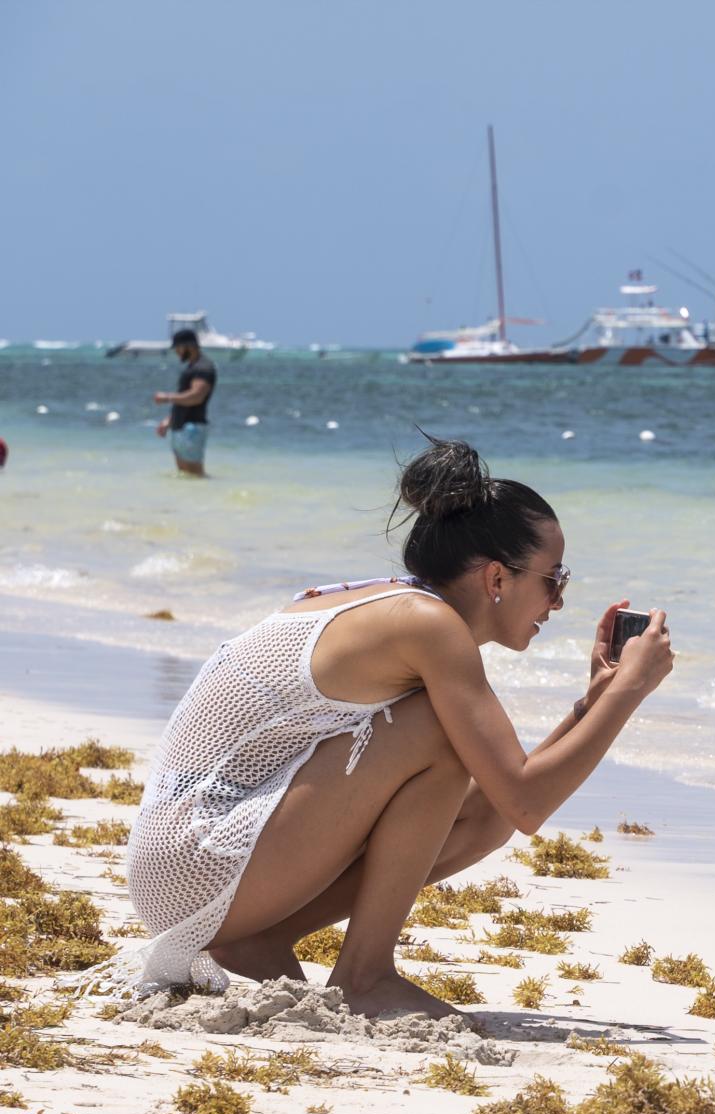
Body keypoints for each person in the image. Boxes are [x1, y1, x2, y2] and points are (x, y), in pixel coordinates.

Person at [123, 433, 675, 1016]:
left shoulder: (402, 607)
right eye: (554, 579)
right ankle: (365, 975)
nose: (557, 603)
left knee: (481, 811)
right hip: (196, 859)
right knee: (443, 736)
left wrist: (593, 703)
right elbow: (528, 802)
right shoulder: (426, 625)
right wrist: (630, 692)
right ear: (496, 580)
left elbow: (508, 797)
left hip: (189, 860)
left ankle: (257, 937)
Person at [153, 328, 217, 476]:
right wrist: (168, 421)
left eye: (178, 348)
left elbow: (197, 396)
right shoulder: (192, 367)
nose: (176, 352)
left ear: (188, 345)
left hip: (192, 428)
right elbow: (184, 398)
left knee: (195, 475)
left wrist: (166, 397)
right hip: (180, 426)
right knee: (184, 476)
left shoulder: (204, 367)